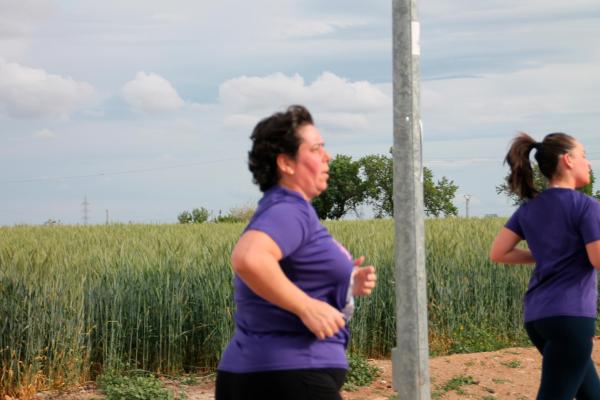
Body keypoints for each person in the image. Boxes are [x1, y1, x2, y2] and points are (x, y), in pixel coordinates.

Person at [215, 105, 377, 400]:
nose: (327, 157)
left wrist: (346, 285)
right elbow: (248, 258)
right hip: (287, 373)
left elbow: (289, 275)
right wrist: (306, 306)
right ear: (286, 164)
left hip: (267, 374)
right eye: (316, 149)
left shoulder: (288, 209)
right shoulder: (288, 209)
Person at [490, 132, 600, 399]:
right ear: (568, 160)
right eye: (584, 156)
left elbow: (499, 252)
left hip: (538, 318)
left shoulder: (528, 209)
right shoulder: (586, 206)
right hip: (571, 317)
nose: (590, 163)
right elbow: (597, 258)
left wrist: (547, 254)